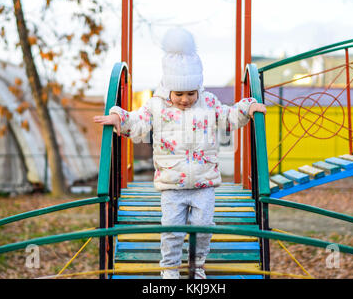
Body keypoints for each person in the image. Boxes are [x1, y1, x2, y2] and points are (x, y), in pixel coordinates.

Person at [93, 27, 266, 279]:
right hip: (172, 185)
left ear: (199, 88)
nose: (185, 99)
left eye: (190, 93)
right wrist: (120, 117)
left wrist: (246, 107)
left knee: (203, 229)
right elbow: (138, 122)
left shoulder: (208, 103)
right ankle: (170, 269)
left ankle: (197, 268)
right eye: (179, 94)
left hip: (203, 184)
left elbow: (228, 117)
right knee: (172, 231)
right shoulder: (157, 106)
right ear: (168, 88)